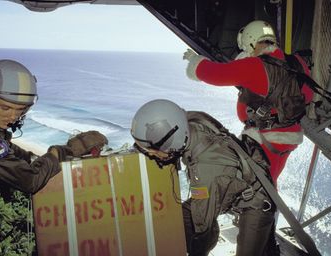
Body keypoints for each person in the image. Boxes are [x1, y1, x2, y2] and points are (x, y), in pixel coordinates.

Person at [181, 20, 314, 255]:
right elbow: (308, 94)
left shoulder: (256, 65)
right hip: (286, 141)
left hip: (263, 142)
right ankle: (267, 243)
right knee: (269, 186)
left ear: (251, 42)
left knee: (259, 192)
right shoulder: (296, 62)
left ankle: (261, 243)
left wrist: (194, 62)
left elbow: (215, 74)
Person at [131, 99, 279, 256]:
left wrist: (197, 252)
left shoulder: (205, 170)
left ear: (172, 142)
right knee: (182, 218)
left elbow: (206, 230)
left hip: (255, 201)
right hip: (235, 180)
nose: (153, 156)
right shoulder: (190, 121)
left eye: (154, 152)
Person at [0, 59, 73, 254]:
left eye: (22, 109)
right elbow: (30, 180)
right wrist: (55, 154)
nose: (14, 117)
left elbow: (14, 154)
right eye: (6, 108)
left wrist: (45, 157)